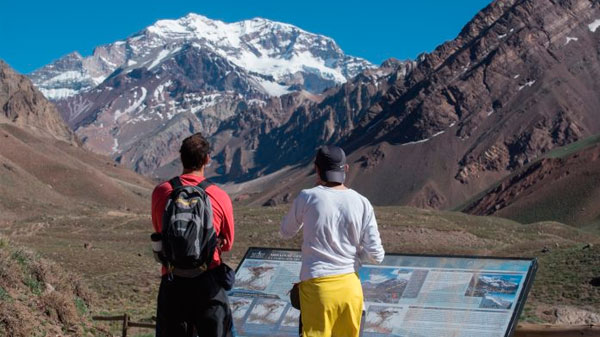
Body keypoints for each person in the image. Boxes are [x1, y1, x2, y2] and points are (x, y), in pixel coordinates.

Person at [280, 145, 385, 337]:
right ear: (345, 169)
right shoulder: (362, 202)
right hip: (350, 289)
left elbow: (286, 231)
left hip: (318, 290)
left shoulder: (307, 197)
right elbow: (377, 255)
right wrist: (357, 254)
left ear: (316, 169)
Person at [151, 133, 235, 337]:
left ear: (180, 158)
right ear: (207, 159)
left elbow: (159, 230)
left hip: (173, 280)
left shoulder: (162, 191)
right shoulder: (219, 195)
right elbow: (228, 244)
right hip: (208, 282)